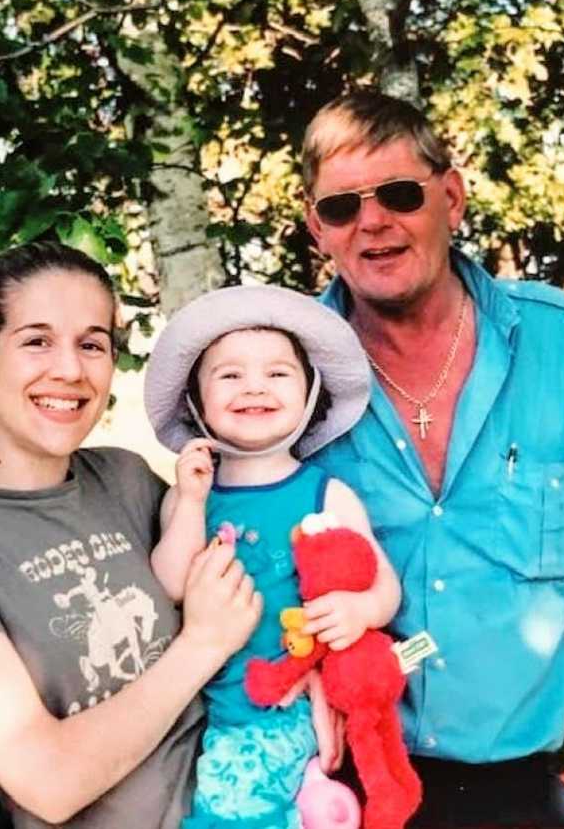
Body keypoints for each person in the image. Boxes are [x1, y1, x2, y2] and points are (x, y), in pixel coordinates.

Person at [0, 241, 263, 829]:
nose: (69, 369)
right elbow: (47, 781)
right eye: (36, 341)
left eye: (91, 344)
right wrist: (201, 646)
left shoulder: (127, 477)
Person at [301, 90, 564, 826]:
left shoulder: (563, 344)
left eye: (399, 194)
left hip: (533, 788)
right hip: (352, 795)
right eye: (341, 208)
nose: (373, 223)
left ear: (450, 198)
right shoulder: (285, 377)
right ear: (315, 227)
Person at [143, 284, 402, 828]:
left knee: (234, 809)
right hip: (219, 708)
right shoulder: (192, 495)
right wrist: (189, 502)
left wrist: (359, 613)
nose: (253, 387)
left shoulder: (325, 494)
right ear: (197, 401)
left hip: (293, 704)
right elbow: (169, 582)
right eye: (229, 375)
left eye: (278, 373)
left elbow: (385, 586)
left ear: (310, 395)